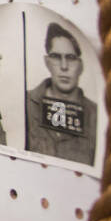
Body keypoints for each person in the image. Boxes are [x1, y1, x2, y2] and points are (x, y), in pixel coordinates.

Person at [25, 23, 98, 166]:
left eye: (70, 57)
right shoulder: (25, 103)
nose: (64, 66)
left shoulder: (95, 114)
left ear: (80, 65)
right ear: (47, 62)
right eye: (56, 57)